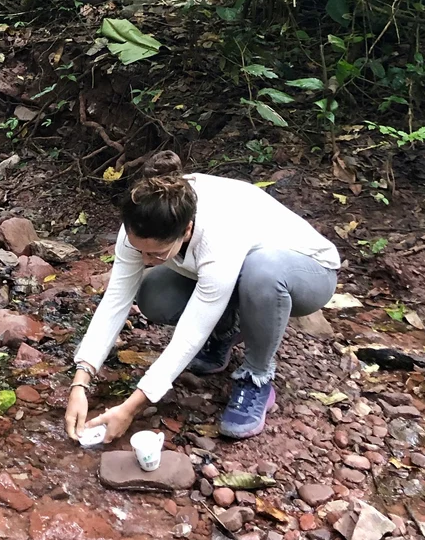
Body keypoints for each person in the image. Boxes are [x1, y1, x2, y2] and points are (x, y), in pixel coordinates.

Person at [65, 151, 341, 443]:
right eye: (139, 251)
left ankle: (256, 376)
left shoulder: (219, 231)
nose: (145, 259)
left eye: (156, 253)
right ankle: (226, 332)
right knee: (154, 292)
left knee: (263, 272)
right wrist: (80, 381)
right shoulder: (143, 218)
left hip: (307, 273)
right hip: (233, 274)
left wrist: (132, 407)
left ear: (186, 230)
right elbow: (115, 302)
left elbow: (190, 333)